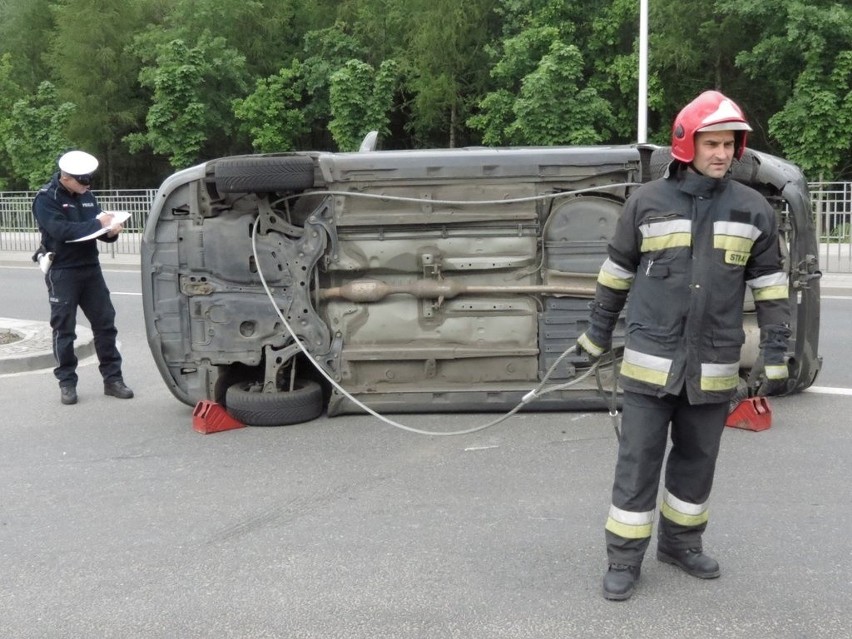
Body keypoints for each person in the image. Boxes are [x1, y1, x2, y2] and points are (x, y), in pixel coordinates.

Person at [577, 91, 791, 601]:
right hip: (651, 367)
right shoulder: (646, 203)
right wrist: (596, 334)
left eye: (729, 144)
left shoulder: (753, 209)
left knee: (697, 462)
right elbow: (615, 275)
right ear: (685, 144)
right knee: (638, 462)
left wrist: (777, 354)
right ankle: (624, 559)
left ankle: (681, 544)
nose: (721, 154)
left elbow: (771, 288)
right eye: (711, 143)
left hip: (713, 367)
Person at [32, 150, 134, 405]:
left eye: (89, 181)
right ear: (66, 178)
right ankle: (67, 382)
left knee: (105, 324)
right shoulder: (46, 198)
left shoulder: (87, 195)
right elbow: (61, 230)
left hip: (90, 267)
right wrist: (100, 225)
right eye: (82, 181)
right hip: (62, 270)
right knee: (64, 330)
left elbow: (98, 228)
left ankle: (113, 380)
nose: (87, 186)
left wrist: (111, 231)